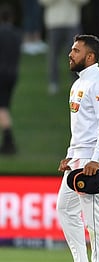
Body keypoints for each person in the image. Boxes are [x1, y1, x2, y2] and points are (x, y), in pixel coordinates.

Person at [54, 34, 99, 262]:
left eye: (76, 50)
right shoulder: (80, 83)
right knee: (65, 209)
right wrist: (71, 154)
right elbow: (81, 127)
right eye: (71, 49)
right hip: (79, 156)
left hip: (94, 159)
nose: (71, 54)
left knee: (94, 217)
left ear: (89, 57)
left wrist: (96, 160)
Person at [39, 0, 89, 95]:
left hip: (72, 22)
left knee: (76, 54)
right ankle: (53, 82)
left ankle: (77, 82)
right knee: (53, 55)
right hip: (54, 23)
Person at [0, 3, 22, 155]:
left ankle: (9, 142)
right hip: (13, 74)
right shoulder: (17, 34)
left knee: (2, 108)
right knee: (4, 106)